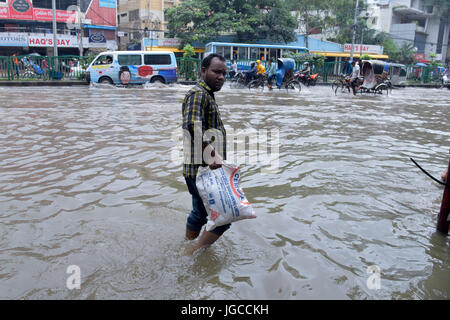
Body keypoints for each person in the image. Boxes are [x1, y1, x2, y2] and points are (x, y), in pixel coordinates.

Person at [182, 53, 229, 253]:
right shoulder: (199, 94)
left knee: (200, 214)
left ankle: (186, 244)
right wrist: (212, 154)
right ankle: (194, 256)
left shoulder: (206, 94)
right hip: (202, 170)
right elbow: (192, 127)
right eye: (216, 71)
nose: (221, 77)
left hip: (202, 169)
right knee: (223, 218)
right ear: (203, 71)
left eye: (224, 73)